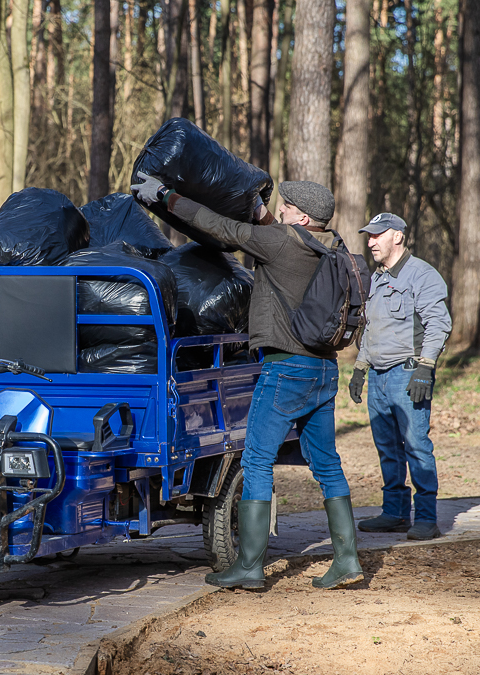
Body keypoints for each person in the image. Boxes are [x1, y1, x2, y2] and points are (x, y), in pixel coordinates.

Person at [131, 173, 364, 590]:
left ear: (303, 216)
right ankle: (347, 560)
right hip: (323, 370)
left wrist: (166, 196)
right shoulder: (329, 248)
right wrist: (262, 212)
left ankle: (250, 565)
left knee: (256, 460)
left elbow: (218, 226)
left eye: (288, 207)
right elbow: (274, 230)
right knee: (327, 466)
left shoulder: (279, 244)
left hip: (285, 369)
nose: (283, 210)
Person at [348, 213, 452, 541]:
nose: (370, 242)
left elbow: (439, 324)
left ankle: (426, 517)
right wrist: (360, 368)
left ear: (398, 237)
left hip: (407, 374)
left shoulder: (422, 274)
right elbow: (373, 330)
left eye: (377, 236)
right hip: (378, 376)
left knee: (416, 445)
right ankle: (394, 513)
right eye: (369, 236)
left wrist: (426, 367)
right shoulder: (377, 278)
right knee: (387, 447)